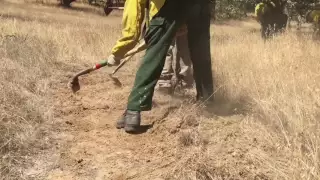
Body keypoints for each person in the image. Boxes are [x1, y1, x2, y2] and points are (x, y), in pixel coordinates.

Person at [116, 0, 214, 133]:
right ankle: (208, 103)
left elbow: (134, 7)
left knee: (154, 55)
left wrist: (120, 48)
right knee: (201, 55)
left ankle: (133, 111)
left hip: (168, 6)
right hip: (201, 5)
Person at [106, 0, 193, 92]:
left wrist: (118, 52)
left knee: (165, 48)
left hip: (164, 18)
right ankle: (183, 85)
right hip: (185, 13)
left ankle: (166, 84)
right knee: (182, 48)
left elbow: (133, 16)